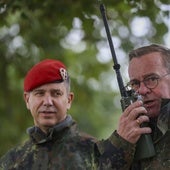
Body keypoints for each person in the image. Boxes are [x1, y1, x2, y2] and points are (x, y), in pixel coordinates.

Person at [0, 59, 134, 170]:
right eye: (39, 93)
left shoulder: (96, 152)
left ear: (68, 100)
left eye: (56, 94)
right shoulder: (11, 161)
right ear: (27, 100)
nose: (47, 102)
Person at [113, 44, 170, 169]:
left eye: (151, 79)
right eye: (135, 83)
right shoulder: (132, 133)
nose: (142, 90)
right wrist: (121, 144)